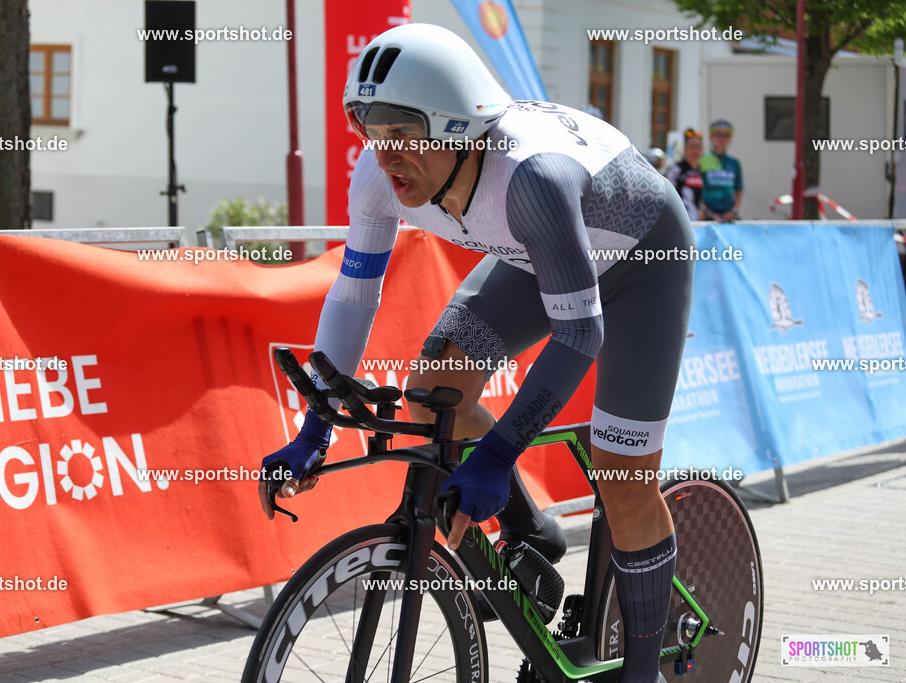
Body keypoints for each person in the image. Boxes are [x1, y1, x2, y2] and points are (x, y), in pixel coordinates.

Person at [260, 23, 693, 683]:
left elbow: (580, 333)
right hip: (538, 252)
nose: (385, 155)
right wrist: (314, 428)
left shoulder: (531, 179)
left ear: (458, 128)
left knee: (623, 477)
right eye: (371, 132)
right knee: (434, 390)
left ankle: (642, 671)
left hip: (640, 264)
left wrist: (497, 453)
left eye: (402, 133)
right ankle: (532, 529)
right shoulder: (378, 176)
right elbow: (354, 294)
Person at [700, 119, 742, 222]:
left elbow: (739, 190)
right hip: (708, 217)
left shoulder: (734, 163)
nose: (722, 139)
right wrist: (710, 213)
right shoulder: (702, 160)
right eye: (719, 135)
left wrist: (733, 211)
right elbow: (697, 192)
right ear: (711, 137)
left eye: (726, 136)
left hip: (729, 217)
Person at [665, 128, 704, 221]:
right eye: (692, 147)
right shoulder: (676, 169)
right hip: (679, 221)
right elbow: (666, 194)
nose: (695, 151)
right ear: (685, 149)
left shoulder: (701, 171)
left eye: (698, 147)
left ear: (702, 150)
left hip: (696, 222)